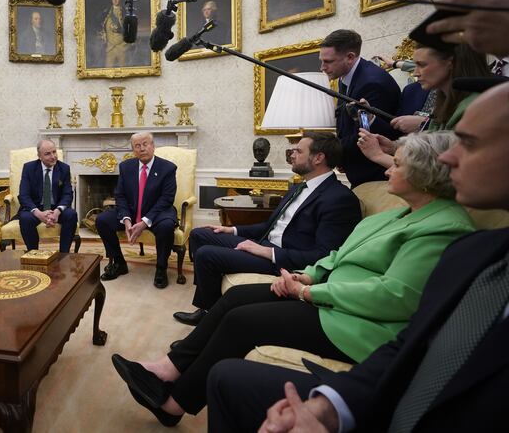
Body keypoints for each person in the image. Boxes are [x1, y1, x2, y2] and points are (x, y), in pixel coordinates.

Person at [111, 131, 474, 426]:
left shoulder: (443, 226)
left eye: (396, 164)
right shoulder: (392, 216)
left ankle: (174, 404)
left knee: (241, 320)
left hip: (354, 320)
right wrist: (306, 275)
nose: (387, 171)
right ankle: (167, 368)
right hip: (323, 290)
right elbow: (337, 255)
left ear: (424, 173)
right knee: (235, 299)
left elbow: (395, 296)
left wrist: (310, 291)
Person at [212, 81, 509, 433]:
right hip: (337, 309)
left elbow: (394, 301)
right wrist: (331, 405)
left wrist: (308, 290)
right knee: (229, 357)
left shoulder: (452, 231)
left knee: (235, 332)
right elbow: (414, 343)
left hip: (347, 318)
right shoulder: (473, 247)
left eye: (470, 143)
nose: (450, 157)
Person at [174, 133, 361, 326]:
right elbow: (269, 226)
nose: (292, 155)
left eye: (298, 151)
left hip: (281, 260)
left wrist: (267, 252)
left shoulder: (339, 198)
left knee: (206, 254)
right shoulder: (300, 187)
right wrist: (232, 230)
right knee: (199, 235)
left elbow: (323, 256)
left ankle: (207, 316)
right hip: (264, 244)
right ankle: (207, 300)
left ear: (318, 158)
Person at [358, 43, 490, 169]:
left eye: (421, 65)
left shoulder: (474, 109)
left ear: (450, 63)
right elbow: (434, 148)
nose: (415, 73)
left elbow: (441, 171)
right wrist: (394, 147)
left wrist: (378, 156)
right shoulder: (444, 100)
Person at [319, 29, 401, 187]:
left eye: (328, 61)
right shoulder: (345, 77)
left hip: (377, 178)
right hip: (358, 172)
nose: (322, 67)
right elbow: (345, 123)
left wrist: (335, 154)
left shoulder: (372, 82)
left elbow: (368, 133)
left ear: (350, 57)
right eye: (322, 60)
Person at [96, 132, 177, 288]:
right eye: (137, 146)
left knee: (167, 226)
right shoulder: (126, 167)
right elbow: (120, 196)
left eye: (145, 144)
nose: (142, 149)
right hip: (133, 212)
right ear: (133, 150)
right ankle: (119, 263)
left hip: (158, 212)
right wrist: (126, 219)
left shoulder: (167, 168)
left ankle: (161, 268)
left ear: (153, 146)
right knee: (103, 220)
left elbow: (166, 199)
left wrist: (145, 222)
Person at [16, 139, 78, 253]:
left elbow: (67, 194)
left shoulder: (64, 168)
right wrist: (38, 214)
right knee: (25, 218)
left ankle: (64, 254)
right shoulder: (29, 168)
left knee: (71, 215)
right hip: (36, 207)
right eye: (47, 154)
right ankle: (33, 253)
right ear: (39, 156)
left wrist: (57, 212)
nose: (53, 156)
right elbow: (24, 195)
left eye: (54, 152)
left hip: (56, 207)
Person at [97, 0, 128, 68]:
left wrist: (119, 30)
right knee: (108, 70)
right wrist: (102, 34)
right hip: (109, 47)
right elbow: (99, 25)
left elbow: (131, 29)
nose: (115, 0)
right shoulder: (106, 12)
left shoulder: (126, 12)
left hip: (123, 47)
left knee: (124, 70)